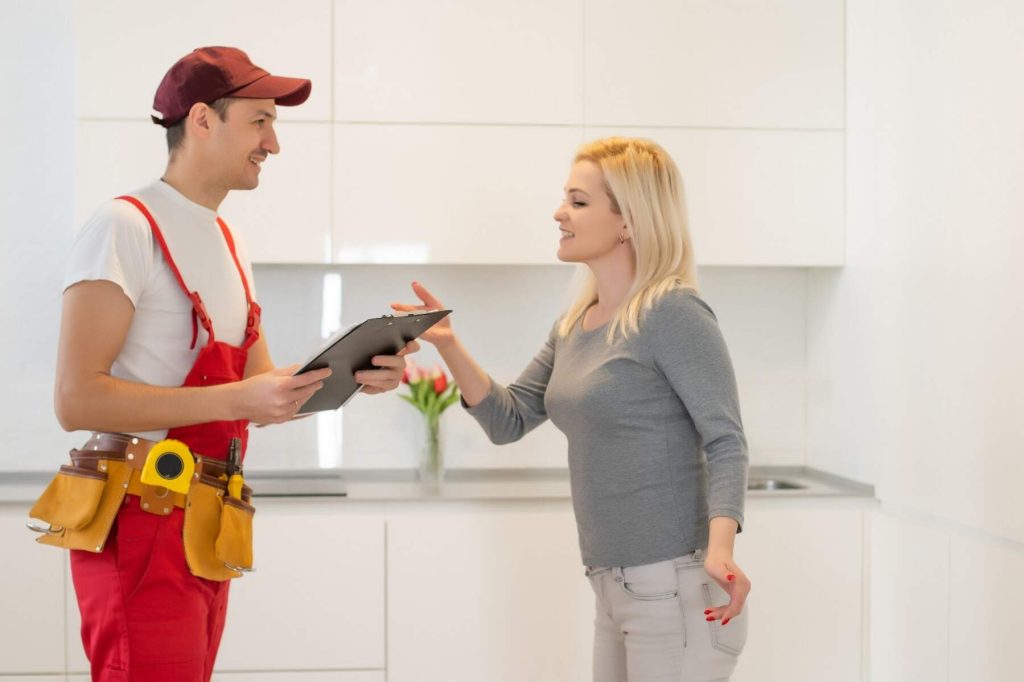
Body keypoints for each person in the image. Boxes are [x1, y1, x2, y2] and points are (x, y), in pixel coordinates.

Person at [48, 47, 414, 681]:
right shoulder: (123, 227)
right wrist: (238, 400)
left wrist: (357, 373)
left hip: (207, 523)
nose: (274, 143)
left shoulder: (229, 241)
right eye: (260, 121)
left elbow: (261, 393)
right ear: (202, 120)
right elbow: (76, 400)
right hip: (141, 518)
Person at [394, 137, 751, 680]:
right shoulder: (576, 323)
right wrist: (447, 343)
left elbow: (726, 440)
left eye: (578, 202)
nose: (559, 213)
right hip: (613, 586)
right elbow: (507, 420)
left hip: (673, 585)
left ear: (629, 219)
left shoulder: (673, 312)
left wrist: (721, 549)